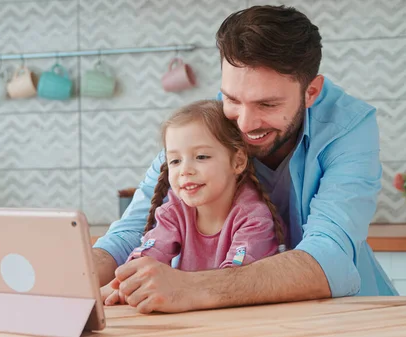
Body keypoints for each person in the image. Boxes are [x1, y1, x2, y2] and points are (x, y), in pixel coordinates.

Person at [92, 5, 398, 315]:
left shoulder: (349, 127)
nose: (245, 124)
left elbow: (329, 257)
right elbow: (133, 230)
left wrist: (190, 287)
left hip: (345, 316)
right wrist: (76, 276)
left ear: (311, 92)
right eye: (233, 99)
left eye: (267, 104)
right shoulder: (207, 123)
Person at [103, 100, 287, 305]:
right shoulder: (175, 211)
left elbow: (235, 281)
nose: (185, 170)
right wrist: (123, 285)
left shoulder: (253, 218)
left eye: (201, 156)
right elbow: (149, 256)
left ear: (238, 161)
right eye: (175, 160)